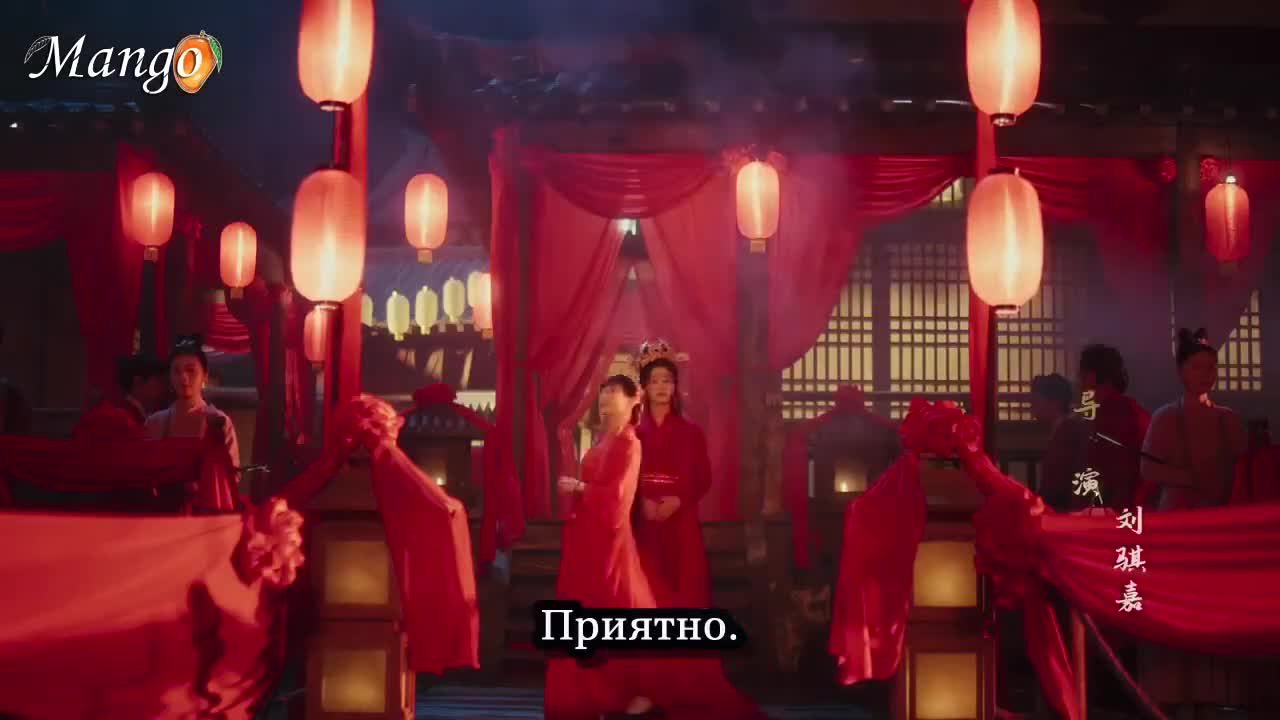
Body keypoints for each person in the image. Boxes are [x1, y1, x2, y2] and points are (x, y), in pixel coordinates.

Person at [545, 375, 762, 720]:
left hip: (611, 541)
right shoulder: (601, 441)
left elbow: (619, 499)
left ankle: (643, 690)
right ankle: (600, 694)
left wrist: (580, 488)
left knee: (620, 610)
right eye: (603, 393)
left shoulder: (630, 443)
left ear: (635, 399)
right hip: (587, 538)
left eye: (614, 393)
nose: (605, 399)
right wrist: (578, 497)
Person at [1139, 328, 1250, 718]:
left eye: (1210, 367)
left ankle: (1210, 697)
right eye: (1197, 367)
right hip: (1177, 524)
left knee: (1212, 613)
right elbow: (1147, 468)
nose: (1205, 375)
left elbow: (1243, 469)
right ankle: (1168, 694)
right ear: (1181, 372)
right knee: (1175, 610)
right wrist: (1187, 478)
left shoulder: (1228, 419)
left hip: (1216, 526)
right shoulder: (1166, 417)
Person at [631, 339, 713, 607]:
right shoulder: (632, 434)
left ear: (675, 386)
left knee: (682, 592)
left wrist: (679, 500)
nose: (661, 387)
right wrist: (639, 502)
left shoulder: (691, 433)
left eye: (667, 380)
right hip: (642, 522)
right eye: (654, 381)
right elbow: (622, 477)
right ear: (644, 386)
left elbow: (703, 478)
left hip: (680, 521)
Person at [146, 335, 240, 468]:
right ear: (170, 376)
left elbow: (231, 472)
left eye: (190, 370)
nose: (183, 377)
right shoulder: (155, 422)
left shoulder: (219, 421)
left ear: (205, 375)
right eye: (176, 371)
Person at [1078, 344, 1150, 510]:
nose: (1079, 381)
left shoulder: (1112, 412)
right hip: (1134, 502)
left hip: (1118, 506)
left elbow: (1111, 469)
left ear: (1092, 375)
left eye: (1082, 374)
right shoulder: (1130, 408)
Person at [1029, 373, 1092, 512]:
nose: (1032, 406)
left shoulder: (1068, 430)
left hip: (1064, 506)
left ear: (1055, 402)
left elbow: (1059, 479)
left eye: (1036, 401)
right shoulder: (1063, 428)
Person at [72, 354, 168, 441]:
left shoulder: (128, 416)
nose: (164, 388)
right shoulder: (118, 420)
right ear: (138, 382)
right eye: (159, 381)